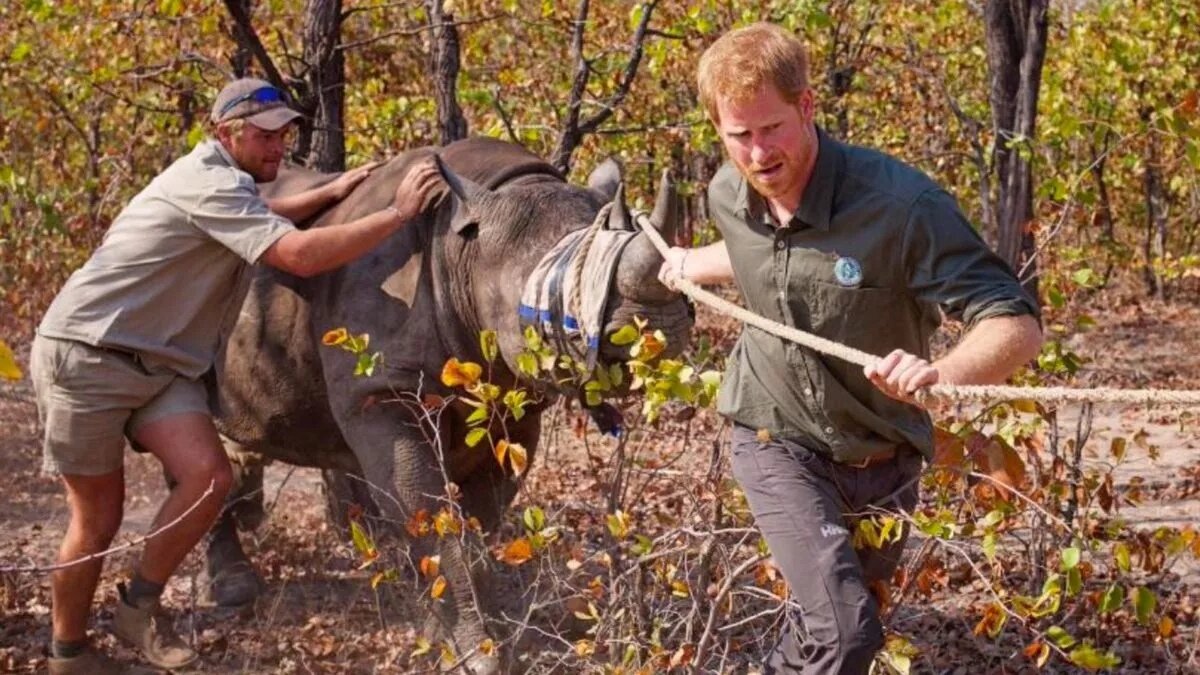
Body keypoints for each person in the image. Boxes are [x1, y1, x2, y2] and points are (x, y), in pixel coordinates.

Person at [657, 23, 1043, 674]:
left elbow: (1016, 320)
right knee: (847, 630)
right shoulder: (728, 195)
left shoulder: (902, 206)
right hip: (776, 436)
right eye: (739, 136)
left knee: (829, 632)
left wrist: (943, 370)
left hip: (884, 456)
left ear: (807, 107)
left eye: (772, 128)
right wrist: (690, 263)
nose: (757, 154)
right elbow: (770, 255)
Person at [31, 77, 441, 674]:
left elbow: (265, 211)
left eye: (286, 134)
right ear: (225, 133)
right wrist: (398, 212)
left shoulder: (226, 181)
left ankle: (137, 609)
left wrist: (336, 188)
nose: (279, 147)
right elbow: (296, 253)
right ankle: (68, 653)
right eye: (265, 136)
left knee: (208, 478)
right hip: (87, 354)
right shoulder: (204, 179)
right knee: (98, 518)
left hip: (160, 364)